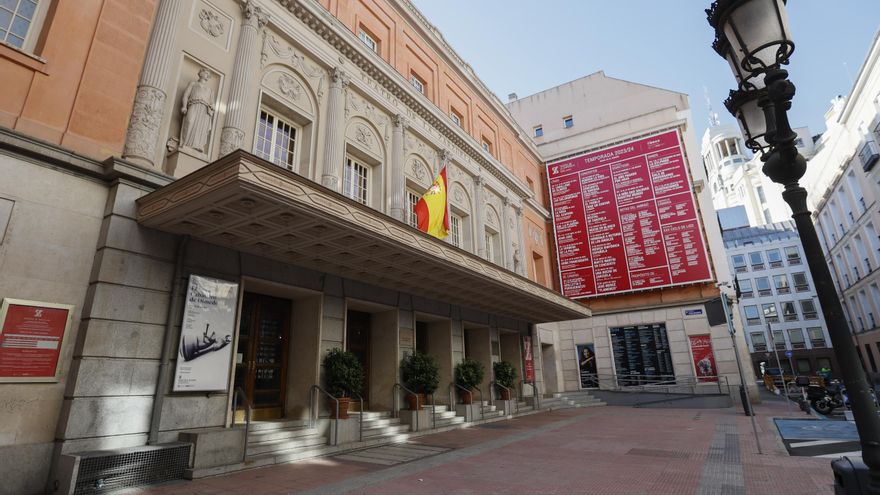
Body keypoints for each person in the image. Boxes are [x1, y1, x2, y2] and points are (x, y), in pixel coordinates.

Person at [179, 68, 215, 153]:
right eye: (205, 72)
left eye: (208, 74)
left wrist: (212, 106)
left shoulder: (210, 90)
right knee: (190, 122)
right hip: (194, 105)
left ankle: (198, 145)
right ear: (200, 73)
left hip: (204, 110)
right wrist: (184, 106)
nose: (206, 75)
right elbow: (185, 95)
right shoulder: (193, 83)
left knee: (201, 127)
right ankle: (185, 144)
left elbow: (212, 102)